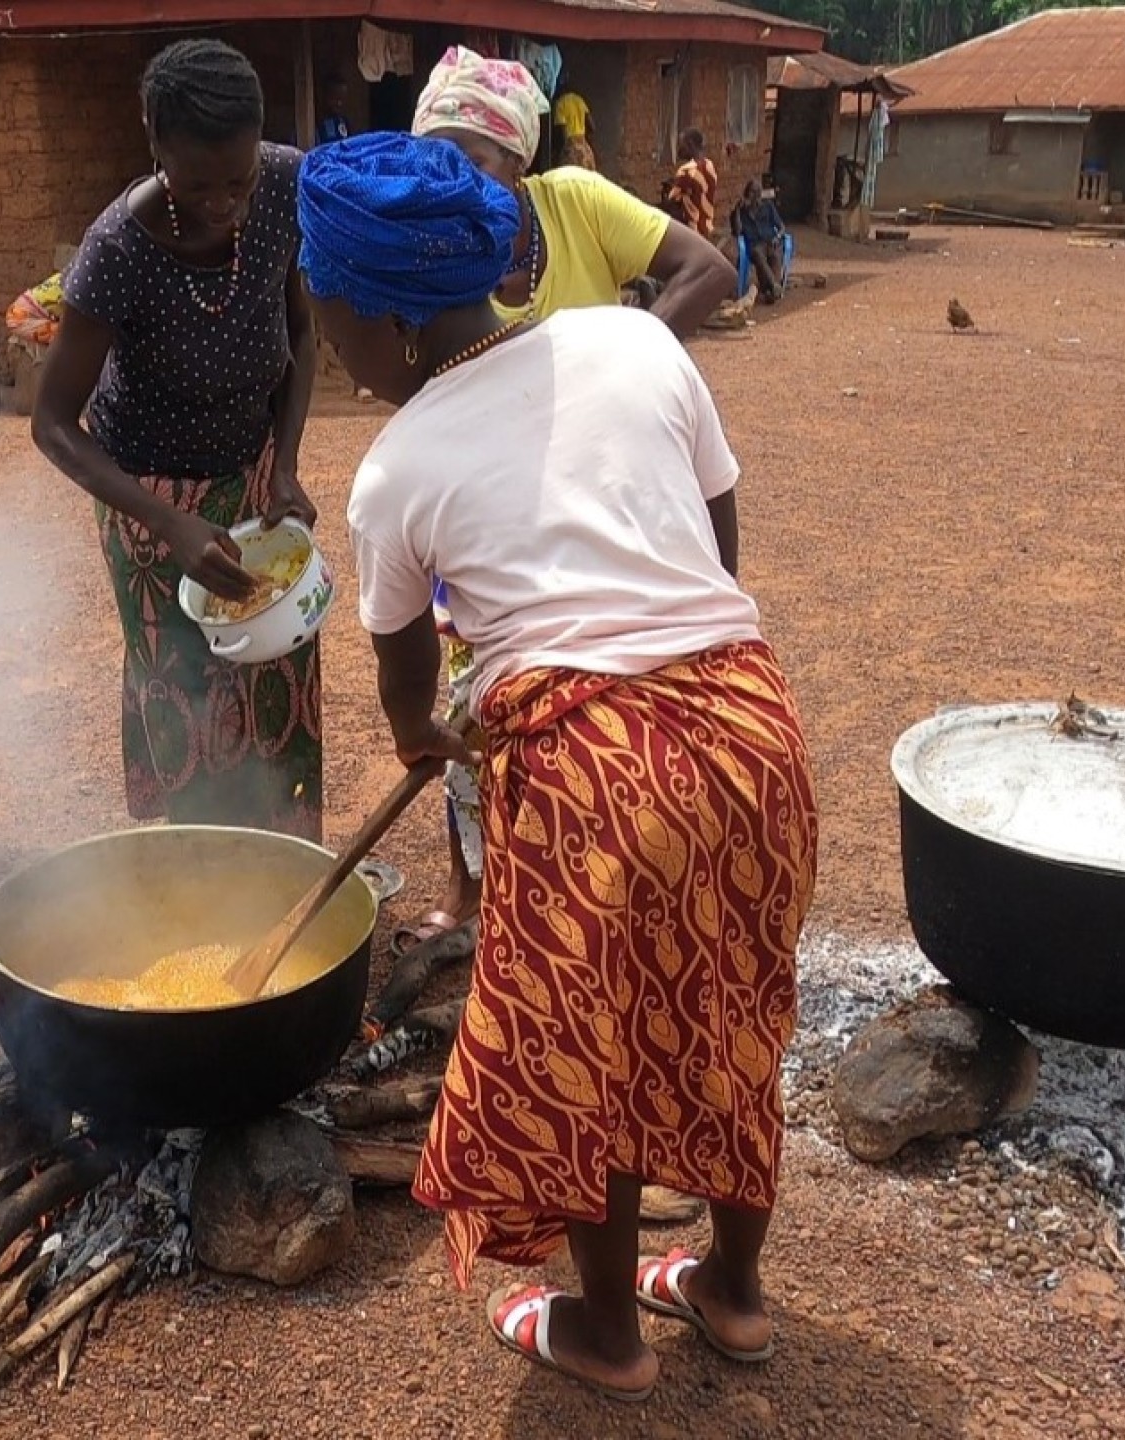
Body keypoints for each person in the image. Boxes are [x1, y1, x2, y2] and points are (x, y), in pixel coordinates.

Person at [301, 132, 818, 1403]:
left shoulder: (396, 471)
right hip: (753, 737)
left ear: (379, 313)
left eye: (323, 311)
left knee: (594, 1046)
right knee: (731, 1017)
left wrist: (428, 740)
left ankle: (606, 1332)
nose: (325, 344)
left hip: (592, 776)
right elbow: (716, 535)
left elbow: (409, 682)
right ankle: (734, 1298)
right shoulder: (638, 341)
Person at [397, 44, 737, 956]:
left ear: (519, 161)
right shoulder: (430, 246)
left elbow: (709, 270)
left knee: (597, 718)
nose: (452, 177)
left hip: (602, 500)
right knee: (473, 699)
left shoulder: (575, 206)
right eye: (436, 155)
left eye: (474, 159)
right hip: (490, 517)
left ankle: (582, 896)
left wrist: (627, 356)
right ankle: (474, 892)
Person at [32, 39, 323, 839]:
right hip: (149, 501)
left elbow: (300, 332)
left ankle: (287, 860)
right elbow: (53, 424)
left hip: (254, 480)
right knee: (187, 688)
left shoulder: (288, 185)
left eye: (239, 180)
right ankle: (205, 881)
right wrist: (169, 523)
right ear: (154, 144)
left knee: (275, 674)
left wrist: (286, 467)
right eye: (199, 185)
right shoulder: (115, 254)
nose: (226, 202)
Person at [730, 176, 788, 305]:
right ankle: (774, 286)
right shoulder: (741, 211)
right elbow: (738, 231)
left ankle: (770, 290)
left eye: (757, 192)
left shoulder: (767, 207)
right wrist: (738, 211)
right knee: (758, 255)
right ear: (747, 193)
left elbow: (782, 227)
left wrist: (777, 237)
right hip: (755, 244)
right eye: (752, 192)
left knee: (775, 256)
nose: (755, 196)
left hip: (771, 240)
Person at [666, 127, 719, 238]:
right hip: (707, 228)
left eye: (681, 144)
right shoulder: (709, 165)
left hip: (691, 231)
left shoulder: (686, 171)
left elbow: (671, 201)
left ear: (690, 144)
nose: (679, 148)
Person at [551, 81, 594, 171]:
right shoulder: (579, 100)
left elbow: (561, 131)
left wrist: (557, 152)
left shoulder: (561, 103)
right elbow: (592, 126)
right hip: (584, 145)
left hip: (570, 146)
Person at [316, 75, 352, 147]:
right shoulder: (315, 123)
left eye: (342, 99)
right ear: (324, 96)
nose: (339, 103)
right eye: (334, 98)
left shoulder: (343, 121)